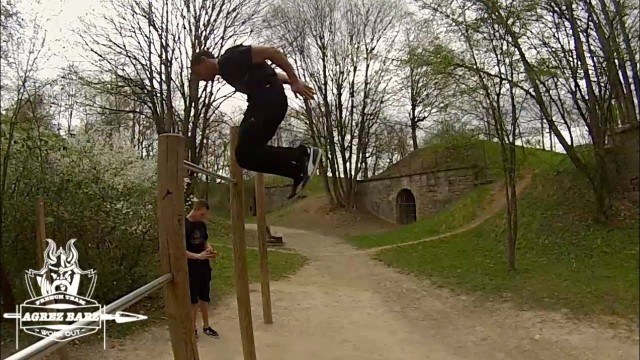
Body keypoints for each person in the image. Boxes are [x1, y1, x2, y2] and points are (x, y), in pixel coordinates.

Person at [190, 44, 323, 199]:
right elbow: (271, 74)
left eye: (198, 73)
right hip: (263, 103)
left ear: (204, 60)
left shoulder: (229, 59)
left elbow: (271, 52)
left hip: (269, 101)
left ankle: (304, 154)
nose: (202, 79)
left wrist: (294, 81)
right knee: (245, 157)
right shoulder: (227, 73)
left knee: (245, 150)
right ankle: (296, 172)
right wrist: (289, 80)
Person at [184, 199, 219, 339]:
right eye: (203, 214)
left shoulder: (201, 224)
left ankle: (206, 326)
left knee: (204, 297)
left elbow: (205, 240)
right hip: (191, 268)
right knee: (193, 300)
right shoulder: (184, 226)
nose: (204, 217)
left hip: (204, 267)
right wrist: (198, 256)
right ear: (197, 209)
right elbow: (180, 250)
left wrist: (208, 249)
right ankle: (192, 329)